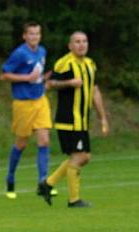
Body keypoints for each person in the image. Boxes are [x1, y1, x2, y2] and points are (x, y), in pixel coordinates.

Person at [39, 31, 108, 208]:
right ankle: (74, 199)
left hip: (82, 120)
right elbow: (49, 84)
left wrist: (103, 118)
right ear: (70, 45)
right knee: (80, 157)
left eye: (84, 41)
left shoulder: (90, 64)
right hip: (68, 119)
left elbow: (95, 90)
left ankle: (47, 184)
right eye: (77, 42)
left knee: (83, 157)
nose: (81, 44)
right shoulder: (65, 63)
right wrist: (69, 83)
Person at [0, 21, 53, 200]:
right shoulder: (19, 53)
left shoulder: (42, 51)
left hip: (40, 100)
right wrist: (26, 78)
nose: (34, 37)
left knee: (44, 141)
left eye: (37, 34)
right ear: (24, 36)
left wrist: (45, 80)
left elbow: (39, 74)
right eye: (31, 34)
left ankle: (43, 182)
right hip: (23, 103)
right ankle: (10, 176)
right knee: (21, 143)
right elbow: (4, 75)